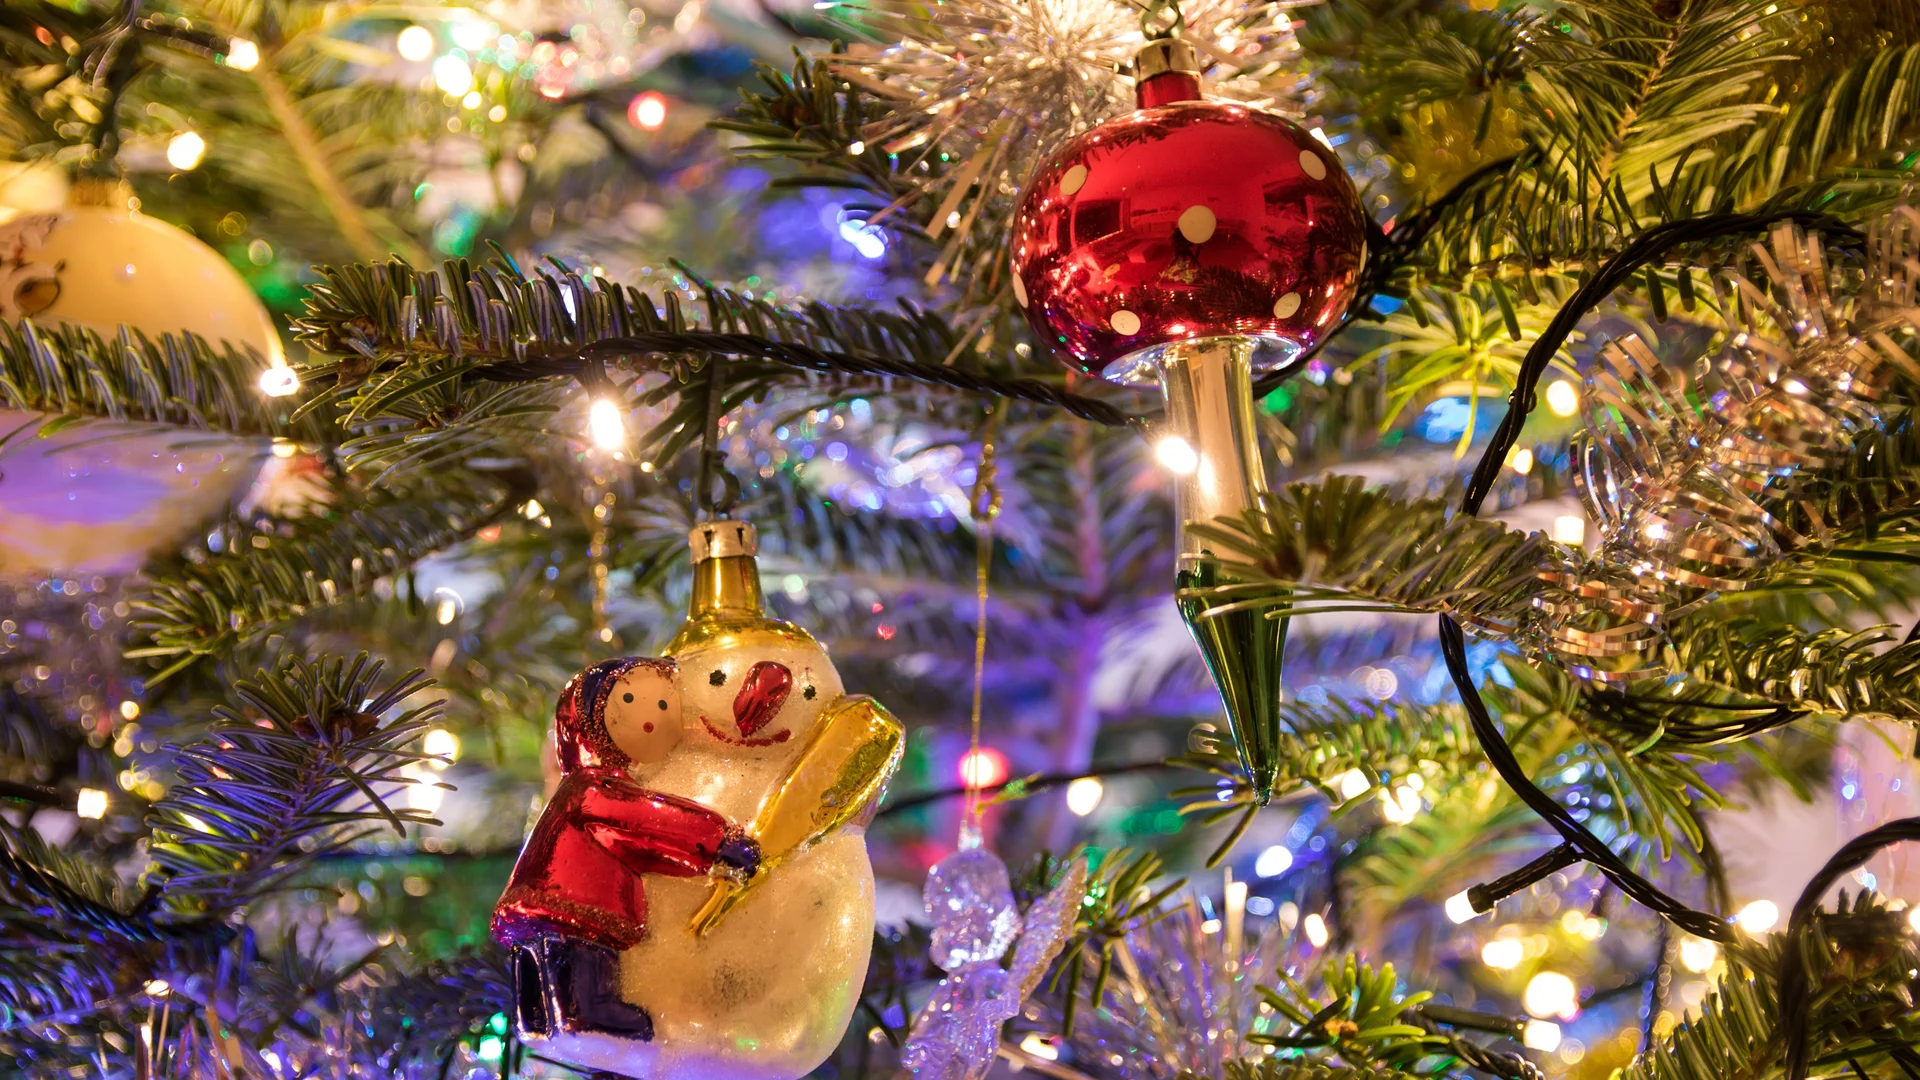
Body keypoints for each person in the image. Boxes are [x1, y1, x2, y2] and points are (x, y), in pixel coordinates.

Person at [493, 656, 760, 1040]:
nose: (652, 717)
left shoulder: (578, 788)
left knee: (539, 955)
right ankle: (589, 1011)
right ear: (589, 719)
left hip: (536, 903)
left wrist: (701, 860)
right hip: (577, 900)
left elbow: (647, 848)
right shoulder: (597, 788)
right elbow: (649, 822)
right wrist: (719, 840)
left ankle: (536, 1016)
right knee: (582, 957)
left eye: (664, 705)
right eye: (630, 702)